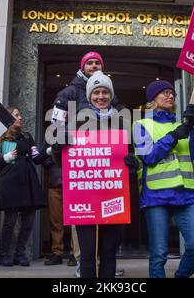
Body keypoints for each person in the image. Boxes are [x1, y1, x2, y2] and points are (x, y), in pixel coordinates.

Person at [52, 71, 138, 278]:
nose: (101, 96)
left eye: (105, 92)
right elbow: (63, 160)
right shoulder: (76, 122)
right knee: (88, 255)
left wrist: (132, 164)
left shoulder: (121, 122)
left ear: (111, 95)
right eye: (96, 92)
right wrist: (58, 146)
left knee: (109, 254)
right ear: (90, 95)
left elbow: (130, 155)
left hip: (112, 197)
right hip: (86, 200)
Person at [132, 80, 194, 278]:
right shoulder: (140, 125)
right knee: (159, 254)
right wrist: (173, 136)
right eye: (164, 93)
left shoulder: (182, 125)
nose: (170, 96)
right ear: (153, 99)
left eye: (172, 93)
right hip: (156, 195)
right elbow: (148, 156)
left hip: (185, 194)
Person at [0, 108, 48, 267]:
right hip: (10, 182)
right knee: (10, 220)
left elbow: (36, 158)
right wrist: (6, 158)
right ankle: (4, 254)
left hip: (28, 181)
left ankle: (19, 254)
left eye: (20, 115)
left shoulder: (27, 137)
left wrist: (49, 150)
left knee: (28, 220)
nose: (20, 117)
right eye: (16, 115)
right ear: (7, 117)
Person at [42, 154, 78, 266]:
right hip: (55, 184)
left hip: (74, 184)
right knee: (55, 221)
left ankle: (75, 254)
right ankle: (57, 253)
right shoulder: (51, 138)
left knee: (75, 221)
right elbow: (41, 157)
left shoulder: (78, 138)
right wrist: (49, 157)